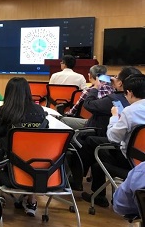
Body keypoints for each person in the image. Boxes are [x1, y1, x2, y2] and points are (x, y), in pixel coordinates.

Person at [0, 77, 49, 217]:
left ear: (8, 93)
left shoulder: (3, 112)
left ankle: (1, 195)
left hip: (11, 165)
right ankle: (31, 200)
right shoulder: (39, 111)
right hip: (38, 167)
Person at [82, 74, 145, 208]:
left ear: (129, 92)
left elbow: (113, 138)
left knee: (97, 154)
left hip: (131, 162)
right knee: (98, 152)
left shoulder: (130, 112)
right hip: (140, 160)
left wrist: (115, 117)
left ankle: (98, 195)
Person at [60, 64, 113, 130]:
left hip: (91, 123)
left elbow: (75, 109)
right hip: (108, 123)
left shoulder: (88, 91)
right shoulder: (112, 89)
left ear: (90, 76)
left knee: (62, 120)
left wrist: (66, 113)